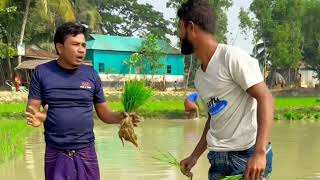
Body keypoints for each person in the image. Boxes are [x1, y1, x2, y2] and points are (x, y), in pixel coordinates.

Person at [25, 22, 139, 180]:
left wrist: (123, 117)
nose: (81, 50)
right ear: (60, 48)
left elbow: (104, 113)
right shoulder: (42, 73)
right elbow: (32, 108)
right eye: (75, 44)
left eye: (83, 45)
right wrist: (38, 117)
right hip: (56, 153)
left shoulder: (91, 75)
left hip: (86, 153)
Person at [177, 1, 274, 180]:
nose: (178, 36)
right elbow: (215, 119)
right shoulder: (200, 76)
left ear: (191, 27)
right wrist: (194, 156)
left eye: (179, 29)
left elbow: (265, 97)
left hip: (247, 158)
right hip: (217, 161)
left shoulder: (231, 58)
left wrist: (260, 153)